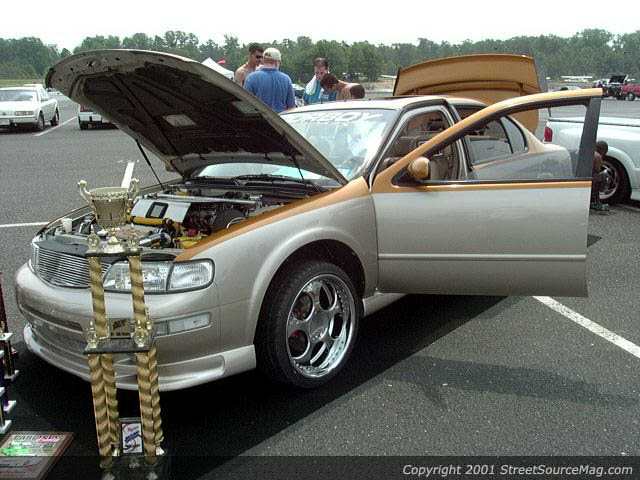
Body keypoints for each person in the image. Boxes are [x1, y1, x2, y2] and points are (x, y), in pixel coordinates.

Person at [243, 47, 296, 113]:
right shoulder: (286, 79)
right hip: (280, 118)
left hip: (258, 118)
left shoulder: (251, 78)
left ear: (263, 60)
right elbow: (291, 107)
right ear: (277, 62)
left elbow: (245, 104)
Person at [591, 140, 609, 211]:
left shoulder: (589, 152)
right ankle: (597, 201)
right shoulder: (597, 156)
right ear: (603, 150)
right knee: (604, 175)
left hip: (581, 177)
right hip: (590, 180)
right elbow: (597, 170)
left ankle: (593, 200)